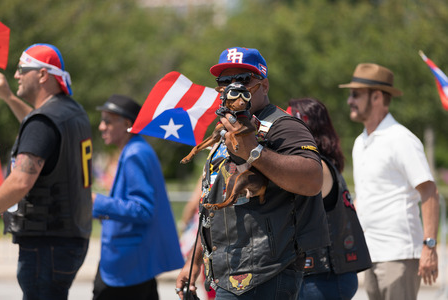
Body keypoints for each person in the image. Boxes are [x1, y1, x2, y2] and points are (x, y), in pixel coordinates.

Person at [175, 47, 330, 300]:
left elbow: (314, 179)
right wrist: (195, 259)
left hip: (266, 274)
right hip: (228, 271)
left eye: (243, 79)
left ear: (264, 85)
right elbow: (215, 203)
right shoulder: (226, 129)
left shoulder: (283, 126)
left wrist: (255, 152)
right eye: (225, 81)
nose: (232, 87)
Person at [0, 43, 93, 299]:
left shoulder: (43, 122)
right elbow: (38, 128)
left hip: (46, 244)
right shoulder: (71, 112)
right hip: (70, 238)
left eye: (21, 69)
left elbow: (19, 182)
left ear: (42, 74)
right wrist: (8, 97)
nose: (16, 75)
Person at [339, 63, 440, 300]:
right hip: (371, 254)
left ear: (376, 97)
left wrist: (430, 246)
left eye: (355, 94)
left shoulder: (401, 139)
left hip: (399, 254)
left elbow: (429, 192)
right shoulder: (360, 141)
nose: (349, 101)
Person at [93, 94, 184, 300]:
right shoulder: (137, 149)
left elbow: (143, 209)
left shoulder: (135, 153)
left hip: (127, 267)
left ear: (127, 123)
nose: (101, 127)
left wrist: (98, 203)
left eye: (108, 121)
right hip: (133, 264)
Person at [287, 98, 372, 300]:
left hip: (323, 278)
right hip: (320, 276)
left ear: (305, 127)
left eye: (288, 122)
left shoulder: (317, 167)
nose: (281, 128)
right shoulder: (321, 164)